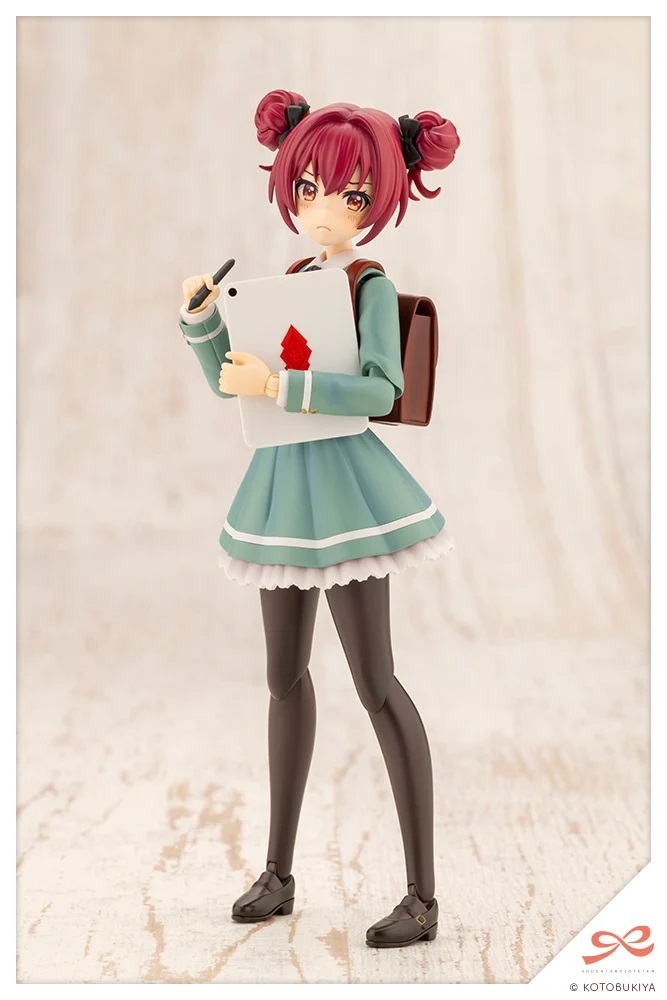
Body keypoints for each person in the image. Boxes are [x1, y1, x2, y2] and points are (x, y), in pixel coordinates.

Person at [179, 89, 460, 948]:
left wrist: (279, 384)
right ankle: (278, 871)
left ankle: (422, 893)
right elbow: (235, 383)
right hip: (280, 487)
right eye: (307, 189)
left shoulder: (368, 284)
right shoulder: (294, 280)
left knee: (374, 681)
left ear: (378, 202)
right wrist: (202, 324)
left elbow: (377, 387)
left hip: (343, 492)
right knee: (282, 676)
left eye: (349, 195)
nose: (323, 209)